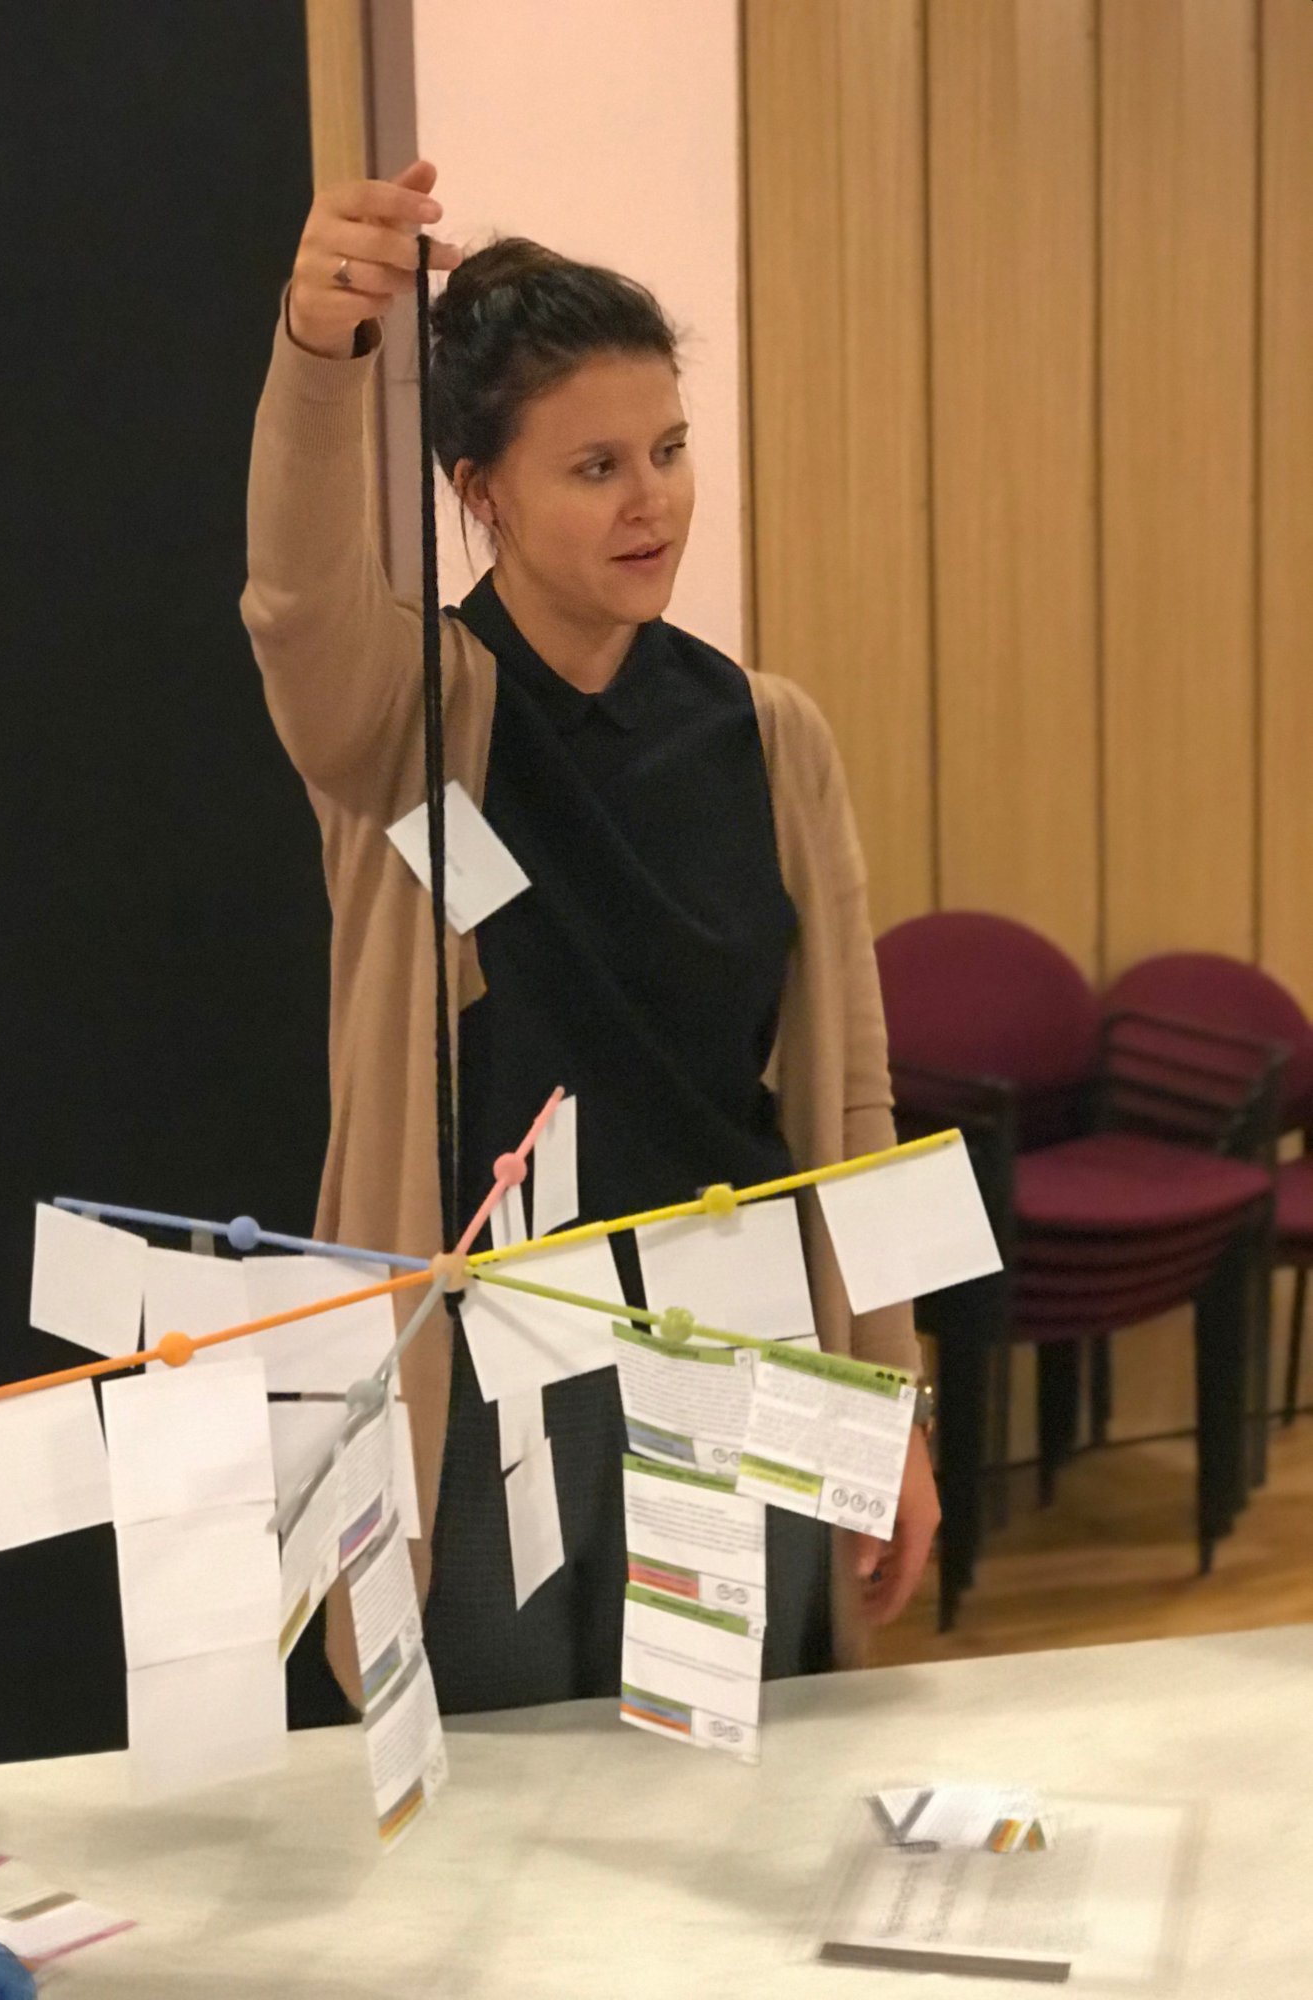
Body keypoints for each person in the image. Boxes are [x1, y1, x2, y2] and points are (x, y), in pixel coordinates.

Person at [242, 159, 938, 1722]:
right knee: (511, 1800)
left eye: (671, 452)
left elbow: (854, 1101)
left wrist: (893, 1401)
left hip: (750, 1342)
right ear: (481, 490)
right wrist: (318, 346)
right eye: (597, 467)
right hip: (498, 1365)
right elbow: (294, 600)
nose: (653, 502)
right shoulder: (414, 721)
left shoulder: (771, 735)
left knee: (730, 1787)